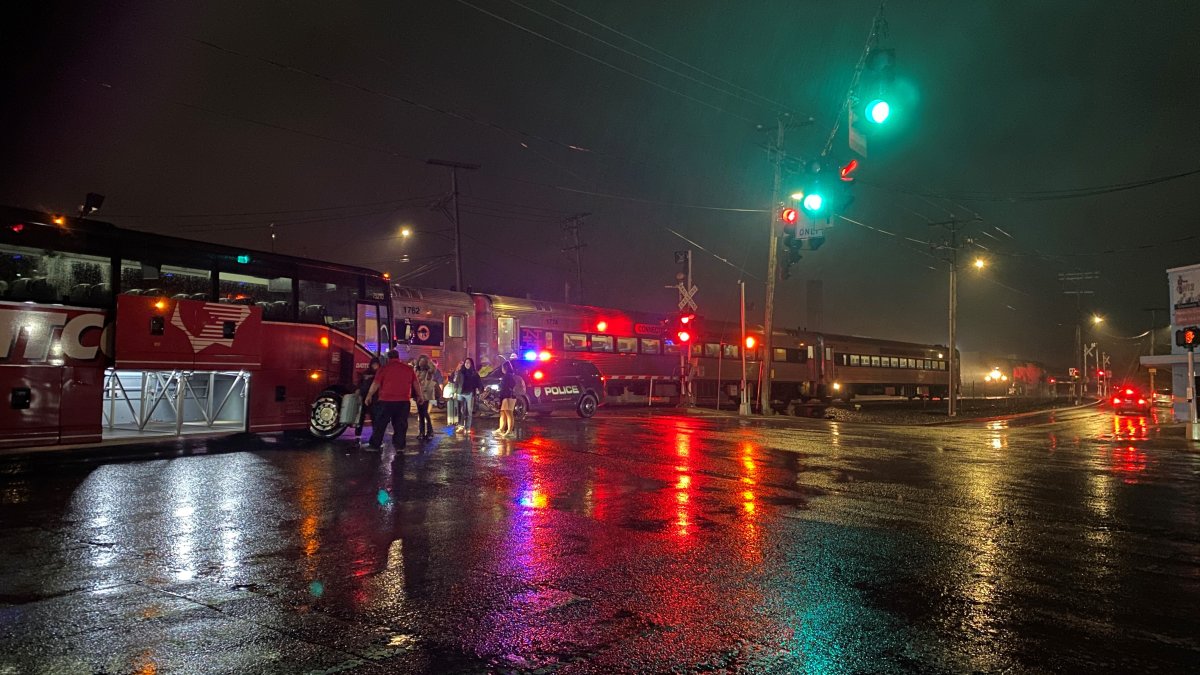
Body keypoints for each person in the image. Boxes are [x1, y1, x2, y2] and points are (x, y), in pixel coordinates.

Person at [364, 350, 423, 451]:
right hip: (403, 401)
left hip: (385, 401)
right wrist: (420, 396)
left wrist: (369, 395)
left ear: (388, 358)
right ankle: (400, 446)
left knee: (380, 424)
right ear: (398, 357)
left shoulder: (384, 369)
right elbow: (416, 384)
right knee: (400, 425)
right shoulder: (408, 369)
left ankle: (375, 445)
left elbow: (376, 384)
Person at [353, 357, 381, 441]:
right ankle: (357, 435)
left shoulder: (380, 373)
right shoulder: (366, 373)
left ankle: (375, 436)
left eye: (376, 364)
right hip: (364, 396)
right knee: (361, 416)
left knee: (374, 417)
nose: (375, 366)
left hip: (375, 398)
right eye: (373, 364)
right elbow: (360, 383)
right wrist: (358, 390)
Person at [456, 357, 482, 434]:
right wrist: (455, 391)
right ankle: (461, 426)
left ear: (471, 364)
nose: (467, 364)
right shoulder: (461, 372)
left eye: (468, 363)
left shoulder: (474, 373)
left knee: (469, 411)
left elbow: (479, 382)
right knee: (461, 410)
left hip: (469, 393)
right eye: (466, 362)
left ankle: (468, 428)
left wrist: (479, 389)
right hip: (461, 393)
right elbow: (457, 382)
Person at [414, 355, 438, 439]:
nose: (421, 363)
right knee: (421, 413)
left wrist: (429, 361)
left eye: (423, 361)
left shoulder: (429, 371)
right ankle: (422, 432)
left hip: (425, 394)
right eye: (420, 361)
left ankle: (429, 431)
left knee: (424, 412)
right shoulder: (416, 370)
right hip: (417, 393)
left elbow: (434, 369)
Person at [495, 360, 518, 438]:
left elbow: (506, 387)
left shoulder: (507, 376)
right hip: (508, 396)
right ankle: (501, 429)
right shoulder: (510, 375)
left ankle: (509, 431)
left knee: (508, 413)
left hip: (508, 396)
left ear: (505, 368)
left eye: (502, 367)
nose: (502, 369)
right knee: (503, 413)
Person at [443, 360, 461, 427]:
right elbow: (451, 381)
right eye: (459, 365)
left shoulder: (461, 373)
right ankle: (450, 421)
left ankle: (455, 421)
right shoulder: (455, 373)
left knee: (455, 405)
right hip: (451, 388)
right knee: (451, 404)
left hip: (457, 389)